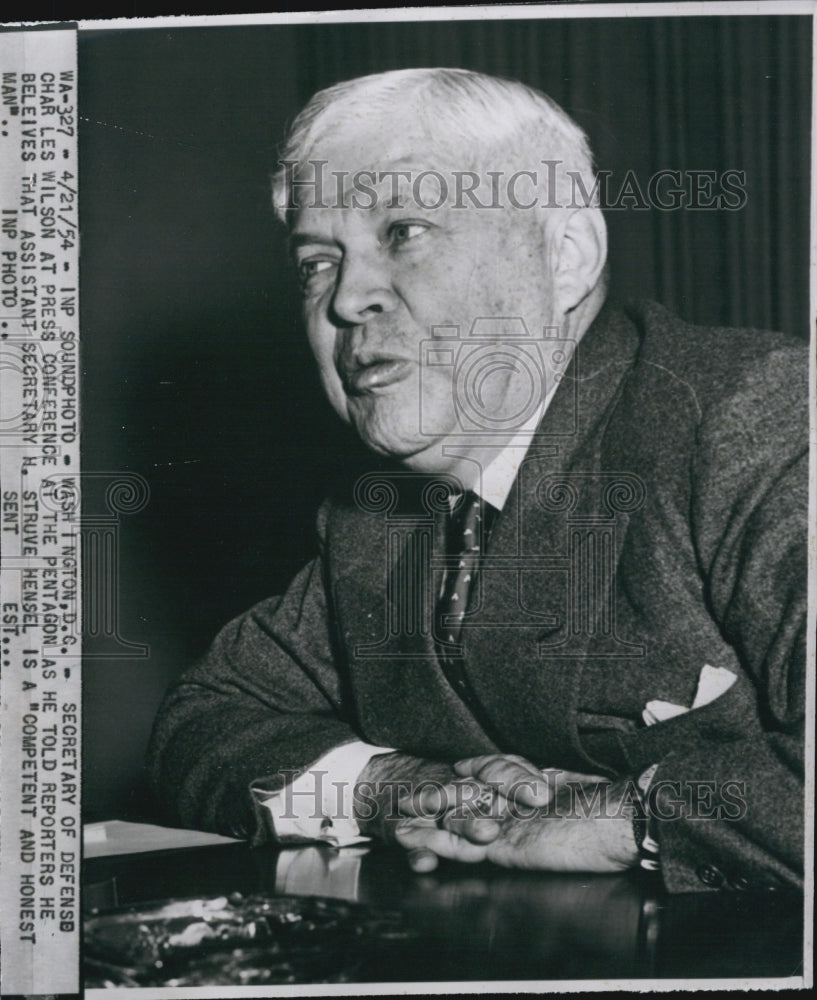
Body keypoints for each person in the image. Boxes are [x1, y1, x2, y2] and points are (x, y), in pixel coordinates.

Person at [147, 68, 806, 894]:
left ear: (563, 258)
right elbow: (202, 721)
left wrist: (619, 817)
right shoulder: (380, 515)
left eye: (405, 231)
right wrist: (390, 787)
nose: (346, 299)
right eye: (318, 262)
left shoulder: (759, 417)